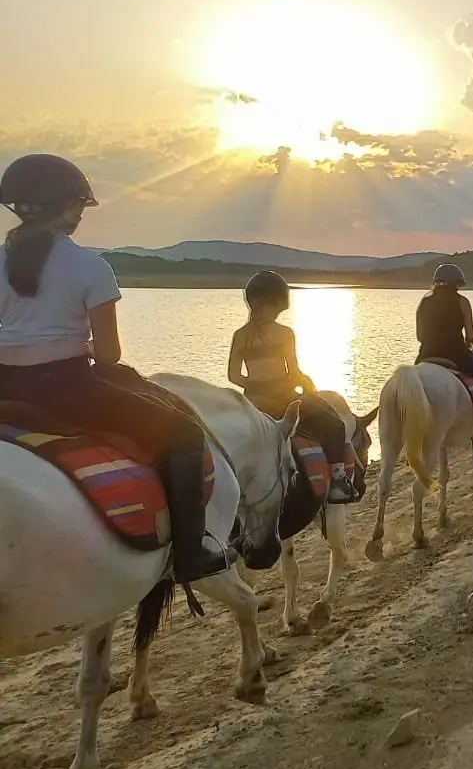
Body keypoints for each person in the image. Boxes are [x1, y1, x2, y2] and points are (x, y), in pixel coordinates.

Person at [0, 153, 229, 584]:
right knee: (183, 434)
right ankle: (190, 552)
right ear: (67, 208)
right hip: (64, 388)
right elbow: (107, 356)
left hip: (4, 386)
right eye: (79, 206)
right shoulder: (91, 267)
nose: (80, 214)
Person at [227, 270, 355, 502]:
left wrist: (256, 384)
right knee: (334, 424)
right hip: (284, 400)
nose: (277, 313)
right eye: (276, 308)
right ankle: (338, 480)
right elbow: (293, 373)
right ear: (272, 303)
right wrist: (307, 385)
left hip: (253, 403)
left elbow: (233, 376)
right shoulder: (286, 334)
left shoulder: (240, 335)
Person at [415, 263, 473, 429]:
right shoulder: (462, 302)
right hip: (456, 354)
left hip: (426, 354)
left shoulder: (424, 302)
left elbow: (420, 336)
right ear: (457, 283)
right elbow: (470, 335)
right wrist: (468, 341)